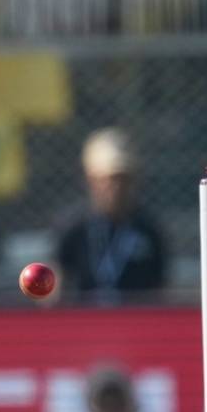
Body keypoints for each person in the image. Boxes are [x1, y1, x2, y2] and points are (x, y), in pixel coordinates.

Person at [55, 128, 167, 303]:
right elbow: (58, 281)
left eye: (123, 179)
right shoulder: (74, 227)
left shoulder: (148, 229)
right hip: (82, 321)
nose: (117, 187)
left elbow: (160, 288)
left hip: (136, 321)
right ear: (91, 180)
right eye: (109, 179)